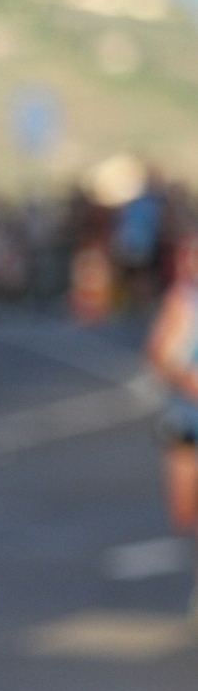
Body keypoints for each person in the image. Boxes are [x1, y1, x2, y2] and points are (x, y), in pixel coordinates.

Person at [146, 233, 198, 620]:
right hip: (187, 417)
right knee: (183, 511)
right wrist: (187, 377)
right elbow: (158, 355)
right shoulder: (183, 302)